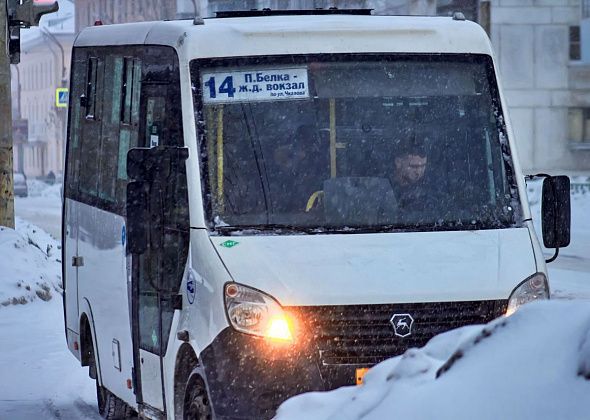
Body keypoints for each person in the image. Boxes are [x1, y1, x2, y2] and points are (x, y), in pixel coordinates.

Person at [390, 134, 432, 211]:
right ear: (398, 162)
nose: (418, 172)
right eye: (414, 166)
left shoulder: (431, 191)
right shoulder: (381, 188)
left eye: (423, 166)